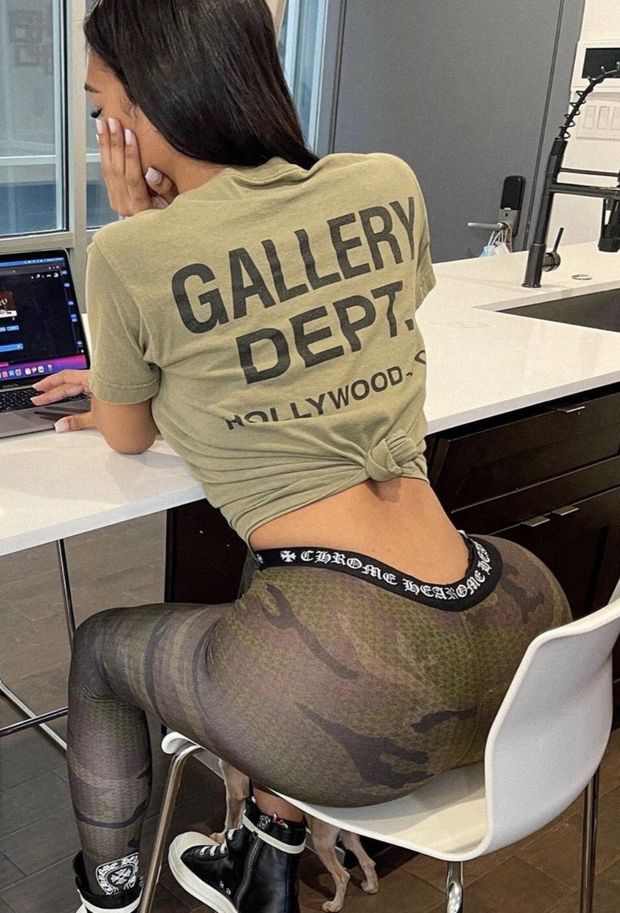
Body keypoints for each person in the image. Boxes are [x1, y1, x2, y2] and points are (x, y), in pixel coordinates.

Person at [31, 1, 572, 912]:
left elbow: (128, 431)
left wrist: (146, 231)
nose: (97, 129)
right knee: (280, 579)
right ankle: (265, 858)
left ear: (147, 105)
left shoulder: (131, 252)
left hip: (351, 694)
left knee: (99, 650)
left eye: (97, 107)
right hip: (519, 643)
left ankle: (108, 894)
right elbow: (328, 330)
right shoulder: (387, 180)